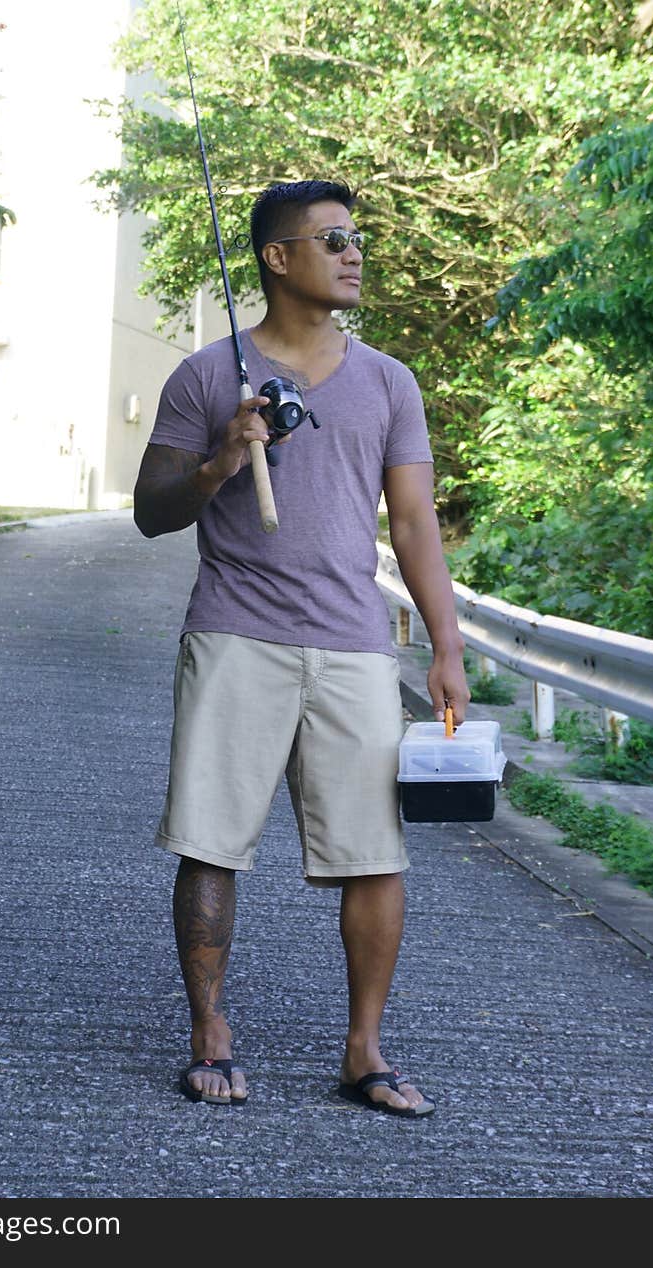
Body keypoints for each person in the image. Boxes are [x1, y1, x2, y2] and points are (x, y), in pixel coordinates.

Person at [133, 180, 469, 1117]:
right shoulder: (208, 375)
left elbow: (413, 525)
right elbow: (151, 512)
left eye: (355, 237)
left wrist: (444, 647)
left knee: (376, 854)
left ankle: (365, 1050)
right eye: (332, 239)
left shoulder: (388, 382)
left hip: (357, 647)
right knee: (211, 844)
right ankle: (210, 1030)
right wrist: (222, 458)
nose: (354, 252)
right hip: (236, 634)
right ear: (279, 259)